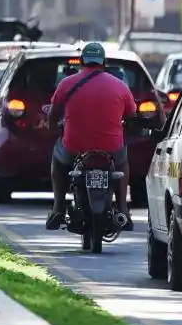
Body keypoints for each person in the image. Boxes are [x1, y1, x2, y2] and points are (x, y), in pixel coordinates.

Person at [45, 41, 136, 230]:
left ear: (81, 62)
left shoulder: (66, 84)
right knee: (123, 162)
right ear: (104, 62)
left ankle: (58, 207)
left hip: (74, 147)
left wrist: (52, 127)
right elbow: (131, 115)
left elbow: (53, 113)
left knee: (57, 159)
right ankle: (122, 208)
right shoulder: (120, 86)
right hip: (111, 148)